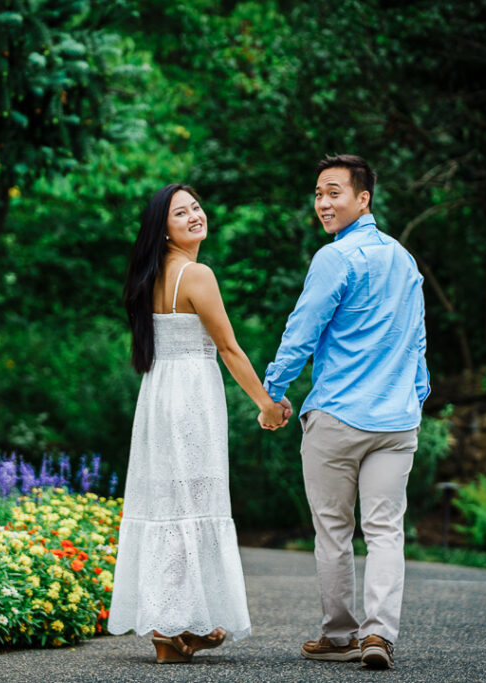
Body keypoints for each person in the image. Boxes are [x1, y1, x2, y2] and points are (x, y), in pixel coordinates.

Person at [108, 183, 290, 664]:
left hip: (157, 395)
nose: (194, 216)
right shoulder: (197, 274)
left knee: (170, 501)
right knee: (195, 499)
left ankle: (172, 628)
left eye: (195, 207)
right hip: (191, 397)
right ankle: (178, 625)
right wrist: (268, 405)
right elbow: (229, 349)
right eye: (179, 213)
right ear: (162, 229)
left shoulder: (150, 276)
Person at [261, 155, 429, 670]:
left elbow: (302, 330)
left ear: (363, 199)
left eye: (333, 192)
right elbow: (417, 344)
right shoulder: (404, 260)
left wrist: (273, 391)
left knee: (333, 531)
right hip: (397, 420)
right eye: (317, 194)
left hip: (337, 416)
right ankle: (378, 635)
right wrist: (413, 398)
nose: (323, 203)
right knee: (384, 531)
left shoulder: (335, 258)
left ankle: (340, 636)